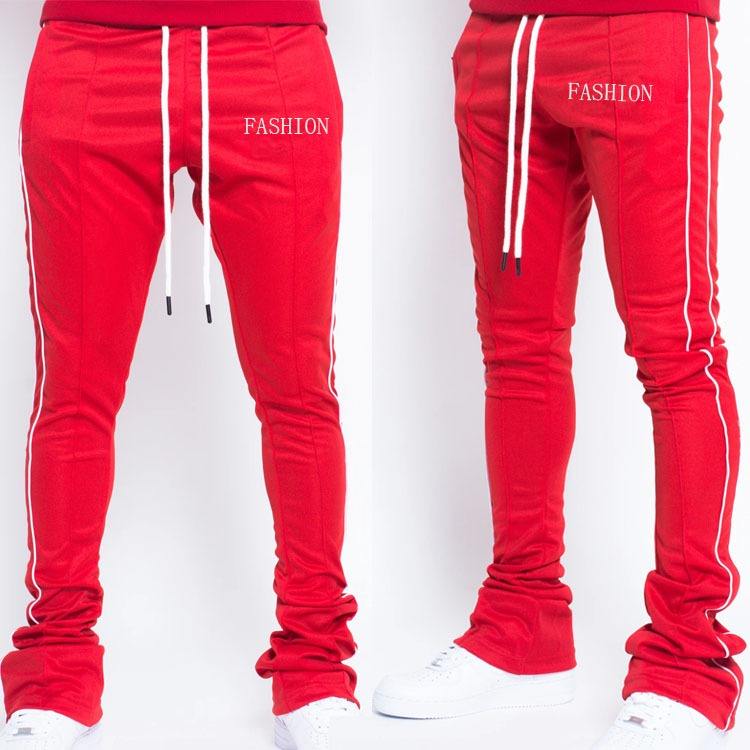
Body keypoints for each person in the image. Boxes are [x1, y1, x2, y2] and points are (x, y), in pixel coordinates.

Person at [374, 0, 743, 747]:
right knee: (515, 348)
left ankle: (688, 660)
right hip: (500, 44)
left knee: (676, 349)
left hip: (640, 29)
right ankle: (524, 624)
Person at [0, 2, 358, 749]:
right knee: (72, 390)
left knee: (297, 387)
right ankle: (56, 670)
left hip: (269, 57)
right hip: (93, 56)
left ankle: (316, 669)